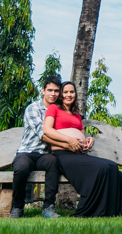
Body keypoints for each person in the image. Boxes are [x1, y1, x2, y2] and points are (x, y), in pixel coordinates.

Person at [45, 81, 122, 217]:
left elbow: (81, 135)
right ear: (61, 95)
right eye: (66, 92)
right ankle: (91, 209)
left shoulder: (76, 116)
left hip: (78, 154)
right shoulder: (54, 109)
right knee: (102, 168)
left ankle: (114, 211)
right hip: (62, 155)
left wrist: (88, 141)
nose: (69, 95)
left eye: (72, 92)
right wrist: (69, 140)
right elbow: (47, 130)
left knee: (112, 166)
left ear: (75, 94)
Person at [10, 75, 78, 219]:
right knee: (21, 167)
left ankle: (48, 208)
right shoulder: (33, 109)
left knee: (53, 162)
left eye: (56, 91)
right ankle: (17, 207)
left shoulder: (59, 110)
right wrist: (69, 143)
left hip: (45, 155)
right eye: (50, 90)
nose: (53, 94)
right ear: (43, 91)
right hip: (27, 152)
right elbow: (44, 135)